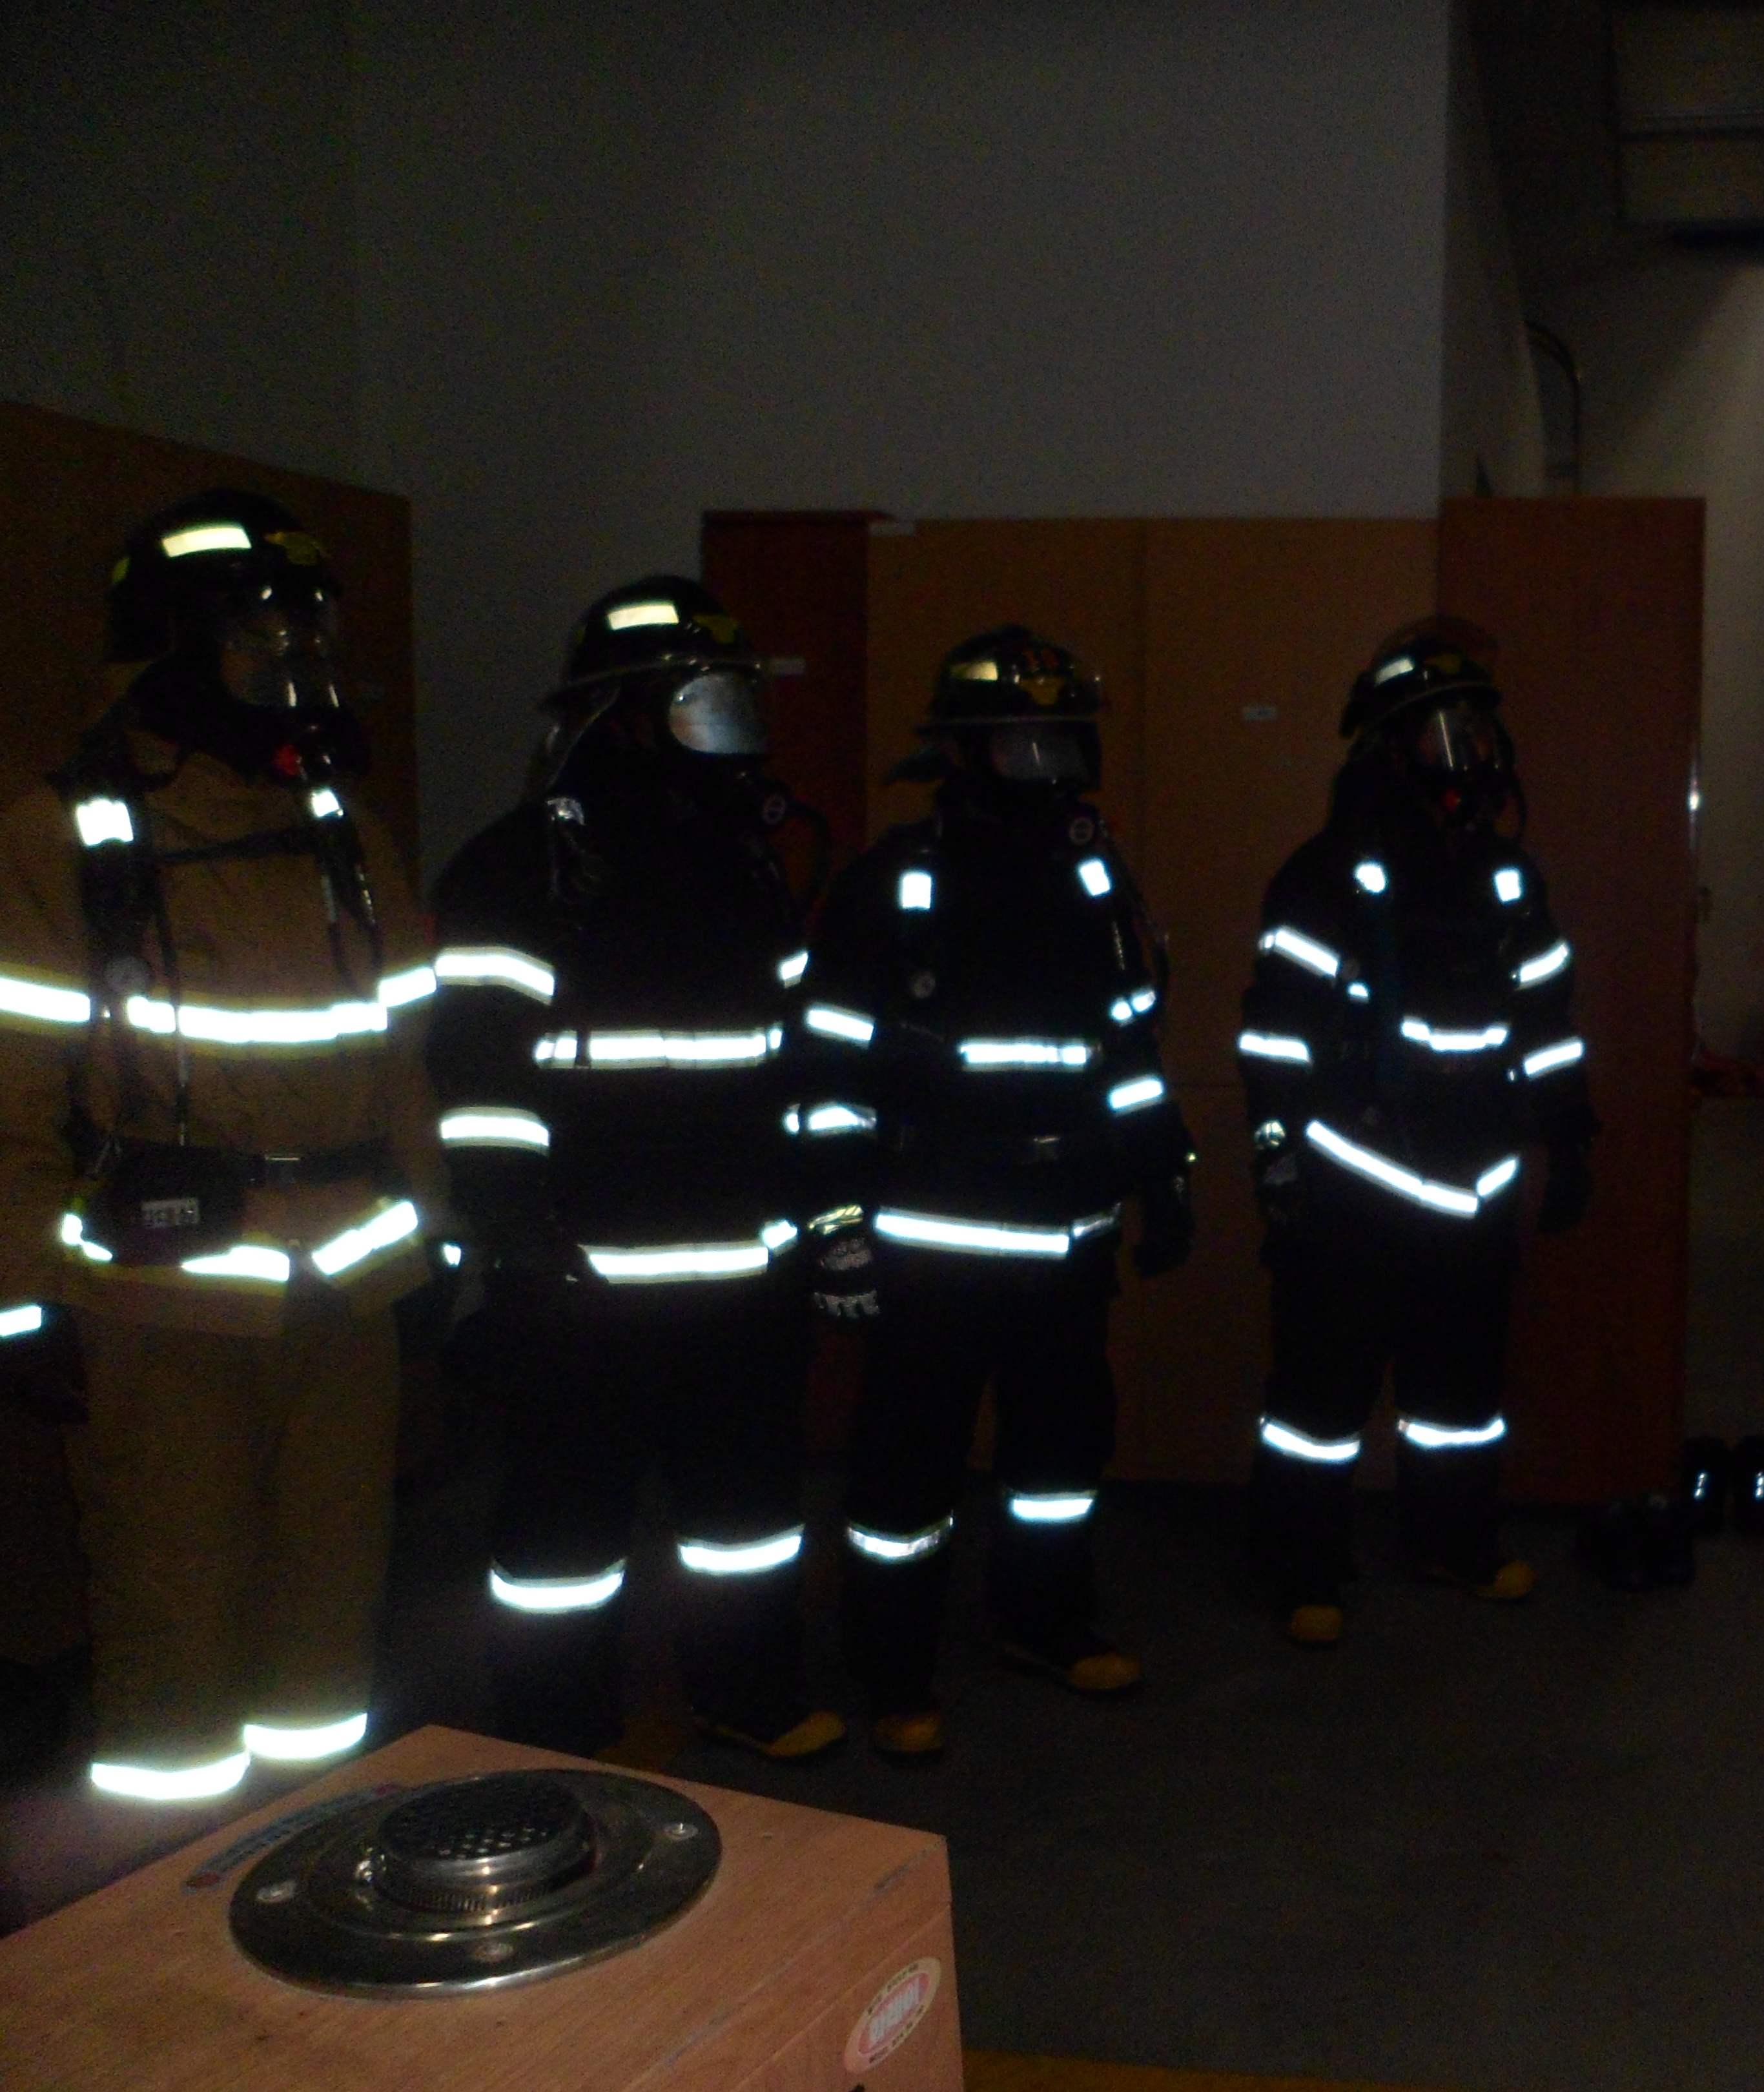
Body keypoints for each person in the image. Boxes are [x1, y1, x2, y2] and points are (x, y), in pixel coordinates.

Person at [0, 489, 446, 1807]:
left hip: (345, 1292)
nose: (292, 664)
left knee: (331, 1607)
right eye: (259, 633)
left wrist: (430, 1248)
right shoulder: (64, 835)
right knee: (174, 1622)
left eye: (308, 632)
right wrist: (24, 1305)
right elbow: (10, 1097)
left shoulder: (342, 830)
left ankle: (310, 1853)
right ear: (174, 643)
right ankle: (167, 1897)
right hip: (161, 1304)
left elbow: (400, 1063)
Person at [427, 577, 840, 1761]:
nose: (732, 734)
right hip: (583, 1282)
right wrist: (516, 1243)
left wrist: (821, 1220)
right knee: (565, 1536)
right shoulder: (521, 868)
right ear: (623, 714)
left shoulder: (747, 862)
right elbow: (475, 1073)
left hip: (744, 1274)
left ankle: (745, 1689)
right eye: (704, 704)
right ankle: (554, 1729)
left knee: (746, 1520)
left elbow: (793, 1059)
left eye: (740, 704)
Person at [794, 626, 1193, 1753]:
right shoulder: (895, 885)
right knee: (907, 1471)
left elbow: (1127, 1049)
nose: (1052, 768)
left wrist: (1162, 1174)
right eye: (1025, 743)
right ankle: (894, 1670)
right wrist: (836, 1228)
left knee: (1060, 1459)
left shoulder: (1095, 882)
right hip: (937, 1246)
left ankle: (1046, 1622)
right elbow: (825, 1074)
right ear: (963, 752)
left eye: (1066, 742)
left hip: (1068, 1237)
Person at [1239, 618, 1595, 1649]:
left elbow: (1547, 1024)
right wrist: (1276, 1156)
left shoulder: (1508, 881)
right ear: (1387, 751)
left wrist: (1568, 1136)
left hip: (1475, 1188)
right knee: (1320, 1401)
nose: (1467, 757)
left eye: (1477, 732)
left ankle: (1454, 1541)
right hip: (1353, 1188)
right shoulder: (1323, 879)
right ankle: (1304, 1566)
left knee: (1460, 1399)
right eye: (1442, 735)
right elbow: (1274, 1036)